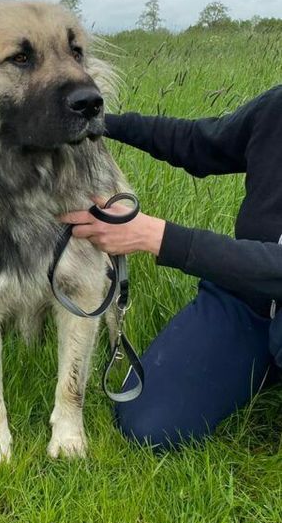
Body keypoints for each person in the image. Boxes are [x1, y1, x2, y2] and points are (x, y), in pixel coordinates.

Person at [60, 85, 282, 449]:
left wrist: (154, 235)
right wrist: (97, 122)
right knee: (149, 423)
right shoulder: (277, 109)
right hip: (246, 301)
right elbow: (199, 143)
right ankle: (253, 363)